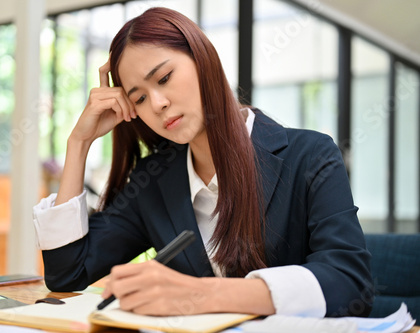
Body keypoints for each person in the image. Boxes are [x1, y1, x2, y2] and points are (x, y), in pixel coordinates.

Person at [33, 7, 373, 318]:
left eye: (164, 78)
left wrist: (202, 294)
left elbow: (349, 283)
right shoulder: (154, 181)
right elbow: (68, 274)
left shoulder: (310, 156)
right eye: (139, 97)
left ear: (203, 59)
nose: (158, 103)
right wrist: (78, 144)